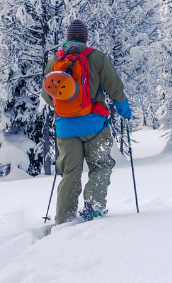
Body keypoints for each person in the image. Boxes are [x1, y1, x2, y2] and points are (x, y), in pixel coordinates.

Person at [41, 20, 132, 224]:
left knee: (70, 172)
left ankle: (64, 218)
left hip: (65, 128)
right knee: (101, 165)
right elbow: (115, 88)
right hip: (94, 125)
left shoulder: (56, 59)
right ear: (85, 38)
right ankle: (94, 207)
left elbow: (47, 96)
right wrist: (124, 111)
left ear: (67, 38)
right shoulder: (97, 57)